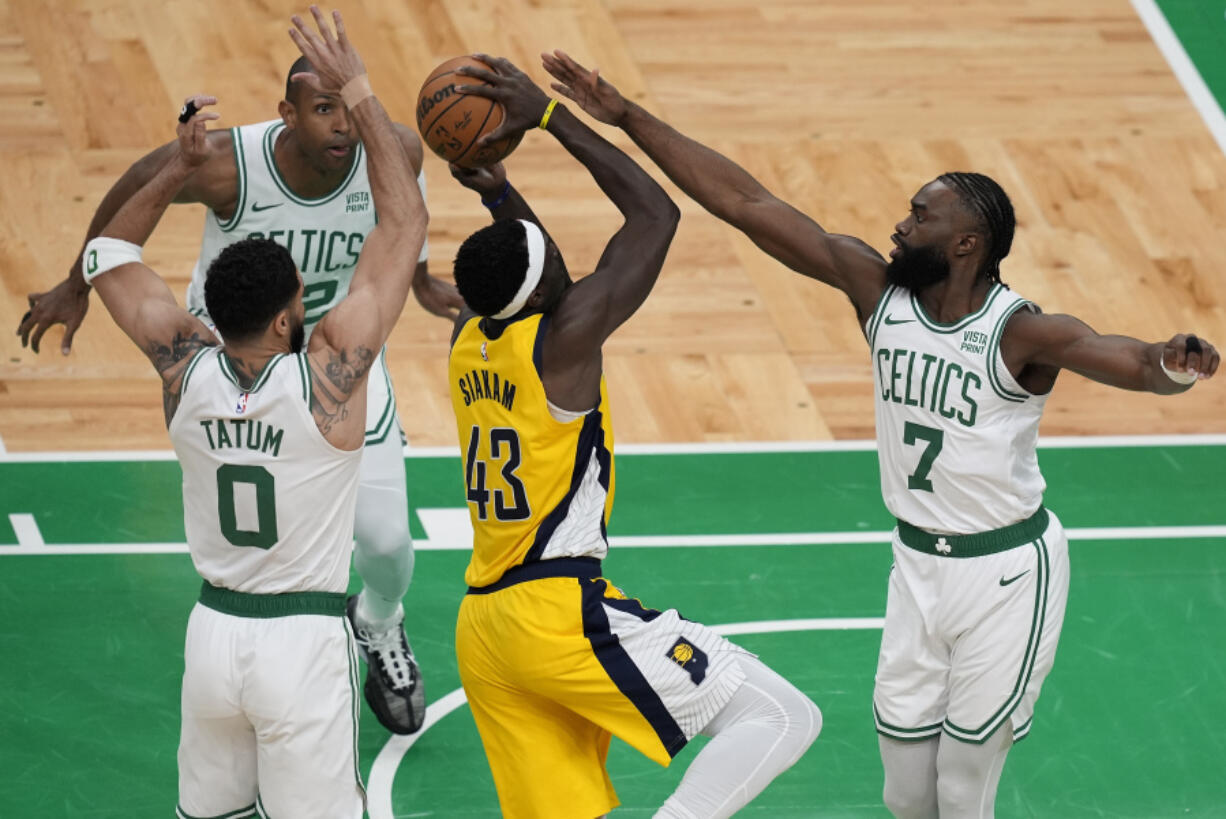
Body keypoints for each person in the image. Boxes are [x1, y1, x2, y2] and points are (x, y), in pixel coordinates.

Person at [540, 52, 1222, 818]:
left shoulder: (1020, 333)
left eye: (921, 216)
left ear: (967, 245)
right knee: (905, 796)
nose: (901, 224)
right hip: (916, 567)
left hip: (1004, 576)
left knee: (963, 790)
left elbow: (1129, 359)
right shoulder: (876, 293)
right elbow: (743, 200)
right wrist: (626, 115)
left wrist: (1173, 364)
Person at [15, 17, 457, 738]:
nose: (343, 125)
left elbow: (400, 214)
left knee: (384, 543)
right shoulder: (228, 162)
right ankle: (266, 651)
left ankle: (379, 621)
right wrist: (75, 284)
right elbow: (129, 198)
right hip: (232, 360)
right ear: (287, 114)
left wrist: (423, 278)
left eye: (348, 106)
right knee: (263, 539)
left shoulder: (392, 147)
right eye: (324, 109)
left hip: (336, 362)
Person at [442, 56, 821, 819]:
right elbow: (656, 215)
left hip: (483, 626)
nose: (574, 275)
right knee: (783, 717)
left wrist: (502, 195)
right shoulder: (565, 339)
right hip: (555, 612)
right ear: (551, 291)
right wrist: (551, 119)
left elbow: (529, 268)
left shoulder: (468, 336)